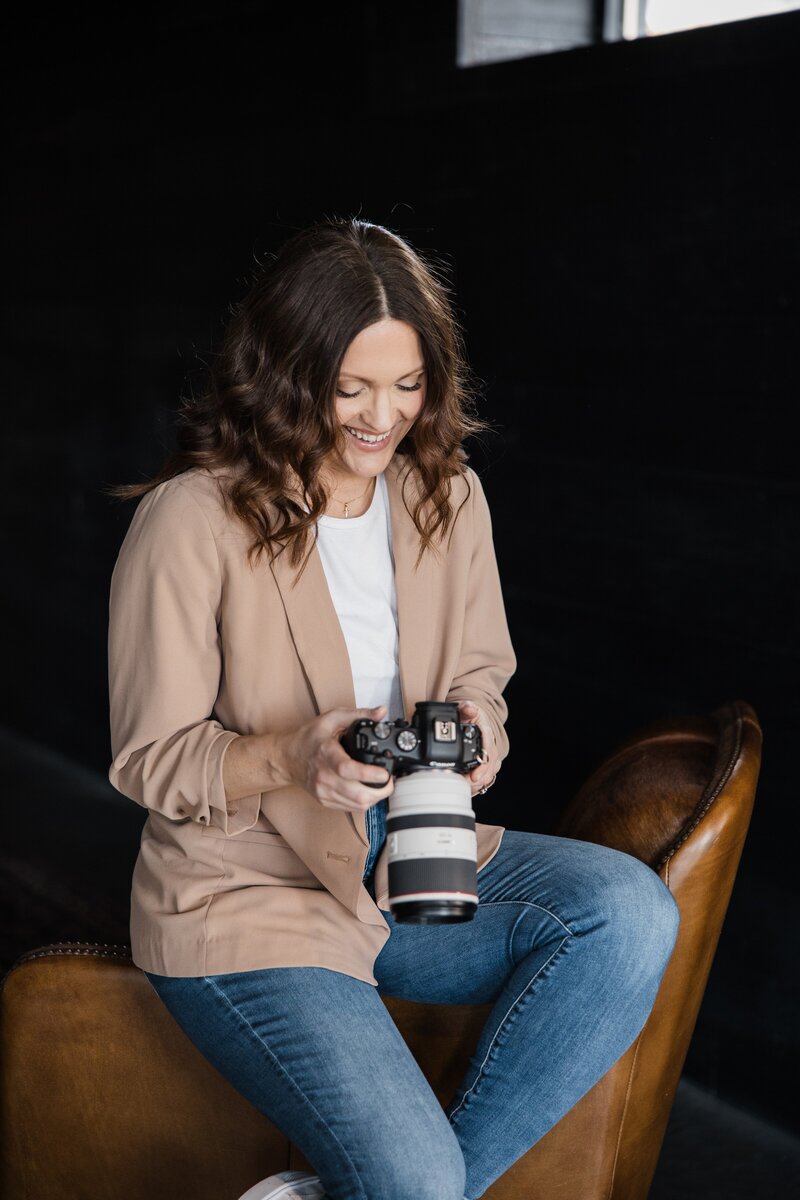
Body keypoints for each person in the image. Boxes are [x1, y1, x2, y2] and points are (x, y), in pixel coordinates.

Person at [106, 216, 679, 1200]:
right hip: (246, 898)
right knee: (410, 1184)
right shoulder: (192, 520)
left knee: (626, 911)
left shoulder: (446, 496)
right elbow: (148, 757)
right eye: (351, 388)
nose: (383, 417)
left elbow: (478, 674)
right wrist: (294, 756)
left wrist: (478, 732)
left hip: (415, 863)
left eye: (407, 385)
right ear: (287, 375)